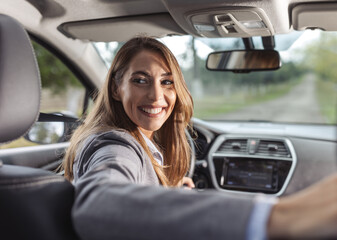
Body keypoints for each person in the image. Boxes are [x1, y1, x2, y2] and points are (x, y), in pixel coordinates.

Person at [63, 36, 337, 240]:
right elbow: (100, 203)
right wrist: (275, 217)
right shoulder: (114, 144)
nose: (157, 96)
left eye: (167, 82)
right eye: (141, 80)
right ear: (115, 88)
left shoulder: (138, 141)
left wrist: (166, 194)